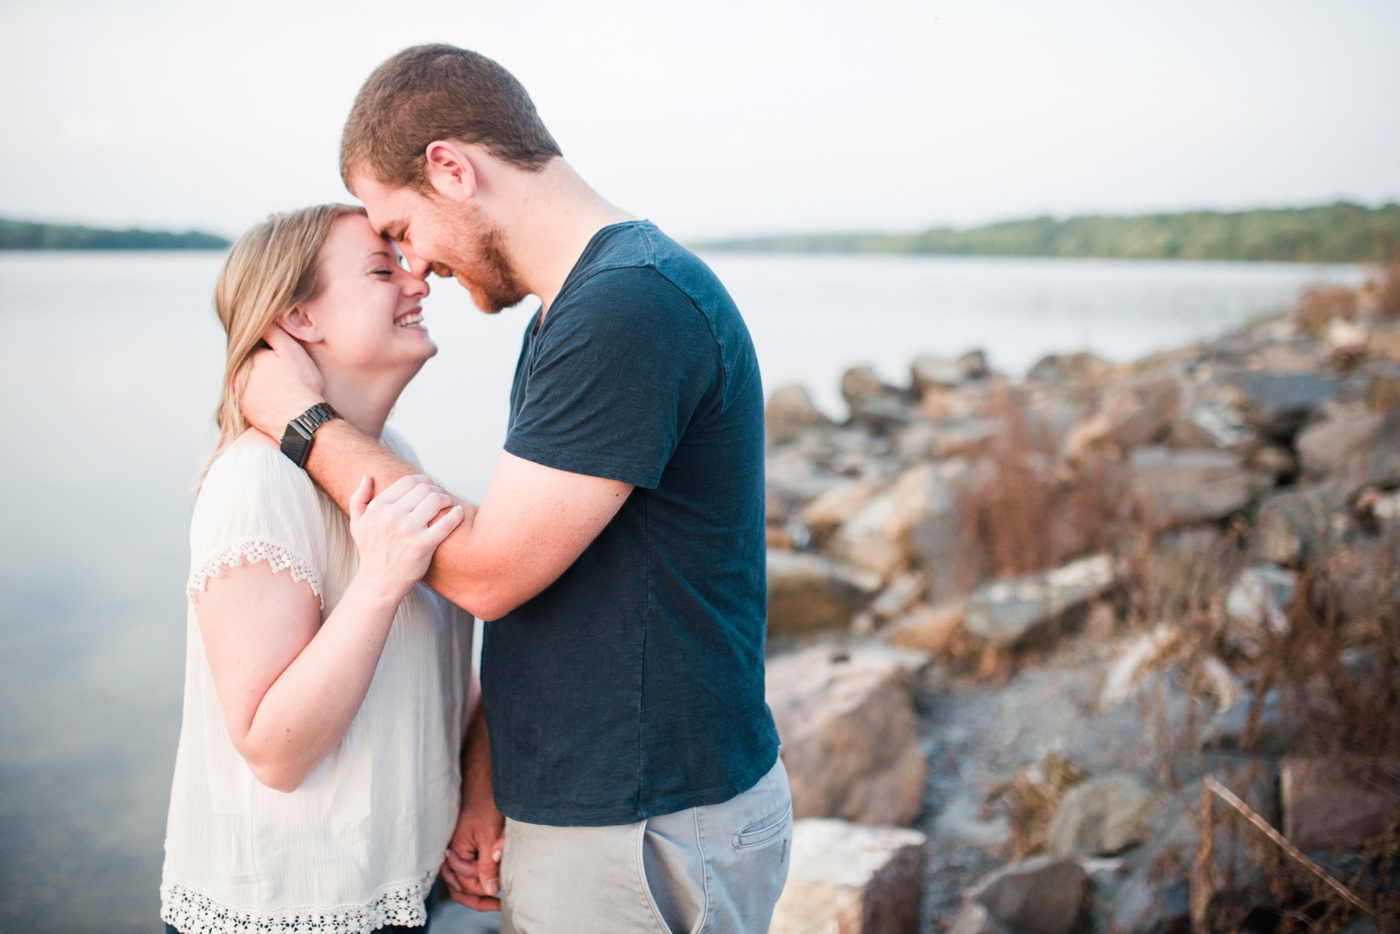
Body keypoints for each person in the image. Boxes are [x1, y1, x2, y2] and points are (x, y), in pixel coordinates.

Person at [241, 44, 792, 933]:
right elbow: (548, 590)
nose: (415, 269)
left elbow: (487, 575)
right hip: (605, 809)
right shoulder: (571, 310)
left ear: (452, 169)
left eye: (402, 229)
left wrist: (300, 424)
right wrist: (491, 784)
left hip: (644, 819)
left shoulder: (627, 305)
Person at [160, 204, 476, 934]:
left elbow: (429, 664)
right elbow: (273, 751)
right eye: (381, 269)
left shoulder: (390, 451)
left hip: (393, 888)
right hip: (287, 907)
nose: (419, 283)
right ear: (300, 317)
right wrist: (378, 584)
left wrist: (475, 801)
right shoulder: (257, 482)